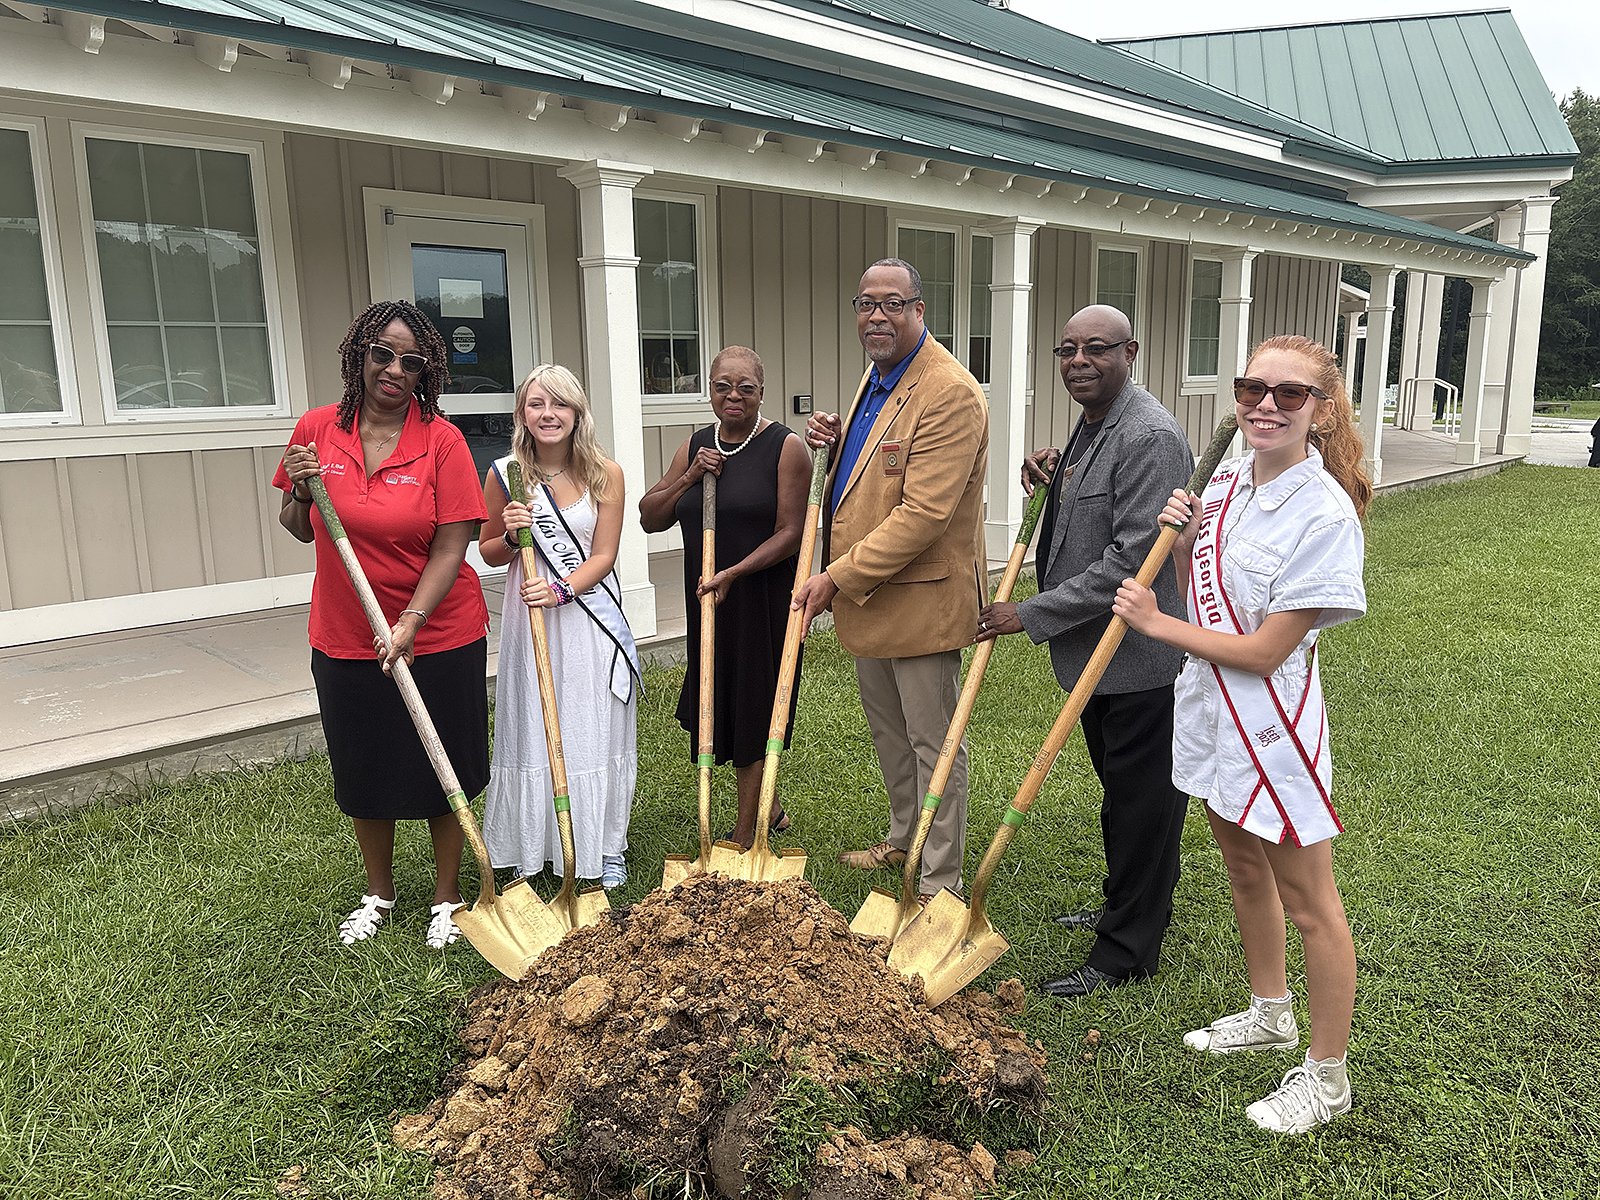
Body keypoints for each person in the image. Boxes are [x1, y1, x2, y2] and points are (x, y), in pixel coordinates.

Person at [1112, 334, 1369, 1135]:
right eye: (1252, 388)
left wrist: (1156, 623)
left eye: (1289, 394)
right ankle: (1270, 1010)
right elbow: (1203, 587)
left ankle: (1327, 1078)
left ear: (1321, 411)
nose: (1265, 405)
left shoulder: (1324, 513)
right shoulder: (1226, 477)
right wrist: (1185, 540)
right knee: (1241, 867)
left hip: (1272, 725)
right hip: (1210, 708)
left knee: (1311, 904)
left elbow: (1264, 652)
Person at [975, 304, 1193, 999]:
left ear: (1131, 351)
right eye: (1067, 350)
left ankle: (1126, 952)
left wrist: (1026, 613)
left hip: (1138, 662)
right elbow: (1095, 505)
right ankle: (1128, 905)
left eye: (1096, 349)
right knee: (1124, 799)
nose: (1078, 362)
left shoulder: (1149, 435)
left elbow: (1132, 561)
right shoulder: (1097, 421)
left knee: (1143, 806)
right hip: (1099, 659)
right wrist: (1057, 472)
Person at [274, 299, 490, 951]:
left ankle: (448, 896)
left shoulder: (442, 441)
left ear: (427, 372)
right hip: (345, 633)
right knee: (363, 764)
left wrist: (411, 622)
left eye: (412, 361)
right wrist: (302, 491)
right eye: (382, 354)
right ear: (359, 356)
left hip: (440, 632)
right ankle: (379, 892)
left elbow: (452, 545)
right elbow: (296, 526)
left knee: (442, 762)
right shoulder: (317, 429)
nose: (395, 370)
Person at [794, 258, 988, 901]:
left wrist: (836, 577)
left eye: (892, 304)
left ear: (919, 310)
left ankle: (938, 882)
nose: (876, 316)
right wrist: (833, 443)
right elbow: (869, 477)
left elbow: (924, 514)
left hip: (921, 600)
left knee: (934, 744)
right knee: (892, 735)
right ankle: (905, 839)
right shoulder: (877, 379)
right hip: (875, 598)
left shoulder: (949, 391)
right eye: (866, 303)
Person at [638, 346, 810, 848]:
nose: (733, 395)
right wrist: (690, 476)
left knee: (754, 702)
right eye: (722, 386)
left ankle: (747, 828)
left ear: (762, 392)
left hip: (761, 599)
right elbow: (650, 517)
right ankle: (770, 807)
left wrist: (734, 571)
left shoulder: (785, 447)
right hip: (708, 600)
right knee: (718, 697)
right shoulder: (694, 445)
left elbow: (792, 533)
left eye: (746, 388)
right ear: (710, 390)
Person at [478, 364, 640, 891]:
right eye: (536, 404)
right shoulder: (505, 475)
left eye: (559, 404)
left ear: (577, 412)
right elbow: (488, 550)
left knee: (591, 727)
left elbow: (605, 555)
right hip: (531, 620)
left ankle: (604, 847)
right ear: (522, 414)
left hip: (585, 616)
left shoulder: (606, 473)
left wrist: (562, 591)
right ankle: (533, 846)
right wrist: (510, 534)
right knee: (535, 723)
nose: (548, 414)